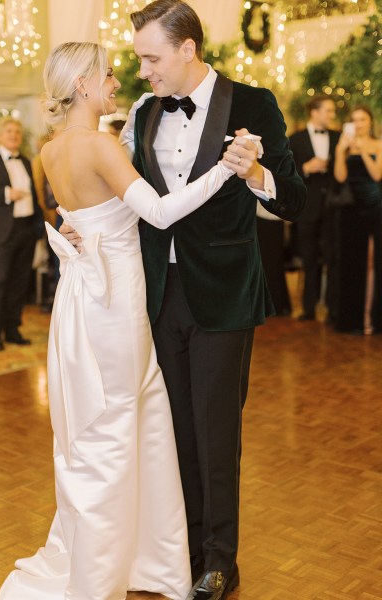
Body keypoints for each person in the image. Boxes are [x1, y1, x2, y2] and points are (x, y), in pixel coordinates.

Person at [60, 3, 305, 599]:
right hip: (154, 297)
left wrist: (255, 175)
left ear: (187, 48)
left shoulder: (254, 103)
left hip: (222, 297)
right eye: (140, 59)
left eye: (151, 58)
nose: (142, 71)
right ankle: (184, 553)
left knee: (216, 431)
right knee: (173, 434)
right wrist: (82, 228)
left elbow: (295, 200)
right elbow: (127, 197)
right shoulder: (142, 114)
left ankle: (221, 560)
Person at [0, 41, 237, 600]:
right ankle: (120, 565)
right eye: (106, 73)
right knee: (123, 421)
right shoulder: (100, 144)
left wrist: (80, 230)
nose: (116, 78)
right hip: (116, 297)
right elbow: (155, 211)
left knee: (118, 417)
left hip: (82, 295)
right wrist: (222, 172)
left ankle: (134, 556)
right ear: (82, 84)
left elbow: (70, 215)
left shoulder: (51, 149)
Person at [0, 116, 44, 351]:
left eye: (17, 131)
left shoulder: (26, 162)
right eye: (8, 131)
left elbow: (35, 196)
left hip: (26, 229)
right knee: (1, 283)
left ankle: (12, 329)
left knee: (20, 283)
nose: (14, 135)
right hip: (0, 232)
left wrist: (39, 228)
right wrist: (7, 193)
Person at [289, 95, 340, 322]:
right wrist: (306, 168)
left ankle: (331, 308)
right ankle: (308, 308)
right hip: (307, 207)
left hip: (333, 206)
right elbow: (286, 172)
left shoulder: (339, 138)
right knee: (309, 258)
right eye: (328, 110)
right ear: (315, 112)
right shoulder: (295, 139)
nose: (332, 115)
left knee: (332, 257)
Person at [333, 105, 382, 335]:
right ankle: (353, 318)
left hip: (375, 207)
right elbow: (340, 177)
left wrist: (362, 150)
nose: (359, 124)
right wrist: (341, 150)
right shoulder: (344, 146)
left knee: (374, 261)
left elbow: (377, 175)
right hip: (351, 209)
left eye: (363, 119)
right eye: (355, 120)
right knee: (352, 261)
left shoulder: (379, 143)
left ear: (370, 122)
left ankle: (372, 315)